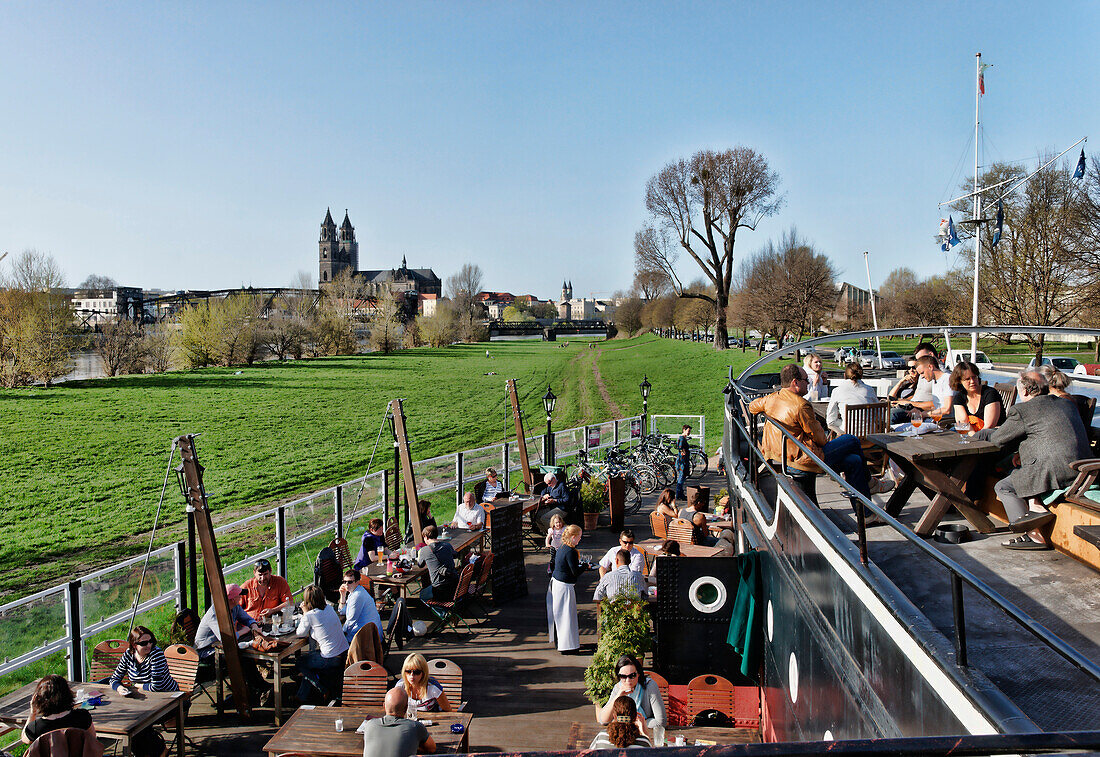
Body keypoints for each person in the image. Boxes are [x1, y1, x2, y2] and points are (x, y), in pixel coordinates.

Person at [976, 370, 1091, 550]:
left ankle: (1032, 534)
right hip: (1084, 469)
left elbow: (998, 439)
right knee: (1017, 466)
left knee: (1004, 486)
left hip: (1055, 471)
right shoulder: (1065, 404)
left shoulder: (1023, 410)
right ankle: (1035, 506)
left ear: (1025, 392)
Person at [748, 364, 893, 500]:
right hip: (802, 460)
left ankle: (866, 515)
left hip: (780, 456)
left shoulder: (772, 398)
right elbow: (821, 440)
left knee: (854, 460)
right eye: (806, 380)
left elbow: (752, 406)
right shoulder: (801, 405)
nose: (809, 383)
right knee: (852, 440)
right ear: (795, 383)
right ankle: (870, 483)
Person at [295, 585, 350, 702]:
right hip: (344, 652)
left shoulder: (310, 615)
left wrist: (305, 613)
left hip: (330, 658)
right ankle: (301, 696)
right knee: (310, 668)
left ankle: (322, 689)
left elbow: (300, 633)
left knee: (300, 662)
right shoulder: (329, 608)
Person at [594, 654, 666, 733]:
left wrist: (635, 723)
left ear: (638, 674)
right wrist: (618, 696)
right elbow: (603, 720)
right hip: (624, 734)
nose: (628, 680)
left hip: (645, 733)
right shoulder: (618, 687)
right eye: (623, 676)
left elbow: (661, 722)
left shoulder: (649, 685)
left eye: (632, 675)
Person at [21, 675, 96, 747]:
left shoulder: (36, 727)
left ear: (40, 699)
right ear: (68, 694)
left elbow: (25, 739)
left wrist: (32, 713)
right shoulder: (82, 716)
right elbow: (93, 740)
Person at [361, 686, 436, 757]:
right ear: (406, 708)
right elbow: (432, 748)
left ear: (384, 706)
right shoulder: (415, 727)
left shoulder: (369, 725)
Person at [194, 583, 262, 658]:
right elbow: (226, 639)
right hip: (207, 651)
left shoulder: (235, 607)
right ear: (233, 599)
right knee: (242, 657)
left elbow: (248, 619)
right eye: (239, 595)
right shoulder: (214, 615)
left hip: (223, 646)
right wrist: (243, 631)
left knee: (246, 655)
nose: (241, 597)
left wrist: (254, 626)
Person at [547, 524, 586, 653]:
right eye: (579, 537)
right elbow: (575, 572)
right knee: (566, 616)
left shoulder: (563, 548)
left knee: (561, 616)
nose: (580, 539)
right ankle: (567, 646)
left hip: (558, 584)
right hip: (563, 587)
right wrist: (586, 567)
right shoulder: (571, 551)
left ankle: (565, 644)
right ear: (573, 537)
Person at [826, 363, 879, 435]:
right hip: (870, 437)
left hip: (849, 437)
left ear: (844, 375)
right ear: (861, 375)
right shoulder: (870, 390)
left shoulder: (837, 390)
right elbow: (879, 415)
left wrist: (845, 422)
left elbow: (830, 420)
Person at [950, 361, 1002, 432]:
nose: (972, 381)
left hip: (991, 436)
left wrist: (975, 440)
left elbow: (989, 426)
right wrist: (973, 436)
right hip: (971, 436)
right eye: (967, 379)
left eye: (974, 377)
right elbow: (962, 424)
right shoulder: (959, 397)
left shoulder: (990, 394)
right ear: (959, 381)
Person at [588, 695, 653, 749]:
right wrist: (645, 733)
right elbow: (652, 753)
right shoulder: (643, 743)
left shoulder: (601, 737)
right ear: (635, 717)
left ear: (614, 716)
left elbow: (589, 753)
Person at [338, 568, 382, 643]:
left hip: (369, 638)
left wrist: (340, 635)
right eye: (344, 582)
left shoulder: (357, 596)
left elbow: (350, 622)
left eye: (350, 582)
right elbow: (342, 611)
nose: (346, 585)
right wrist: (343, 595)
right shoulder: (355, 591)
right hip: (370, 632)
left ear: (357, 582)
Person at [417, 525, 459, 600]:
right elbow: (455, 555)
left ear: (426, 537)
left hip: (439, 590)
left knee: (422, 594)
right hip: (454, 587)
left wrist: (420, 554)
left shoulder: (424, 550)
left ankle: (440, 609)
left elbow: (420, 565)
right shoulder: (447, 545)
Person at [911, 354, 953, 419]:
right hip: (935, 419)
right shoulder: (934, 381)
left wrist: (926, 414)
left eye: (922, 373)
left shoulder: (947, 379)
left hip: (946, 422)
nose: (922, 376)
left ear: (930, 367)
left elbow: (947, 409)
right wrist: (919, 410)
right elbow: (937, 406)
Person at [675, 425, 692, 500]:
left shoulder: (683, 438)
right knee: (681, 478)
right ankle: (679, 494)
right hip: (682, 461)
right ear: (684, 430)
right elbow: (680, 447)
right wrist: (682, 451)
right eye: (688, 431)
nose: (689, 432)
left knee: (682, 477)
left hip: (684, 460)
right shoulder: (682, 438)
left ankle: (680, 493)